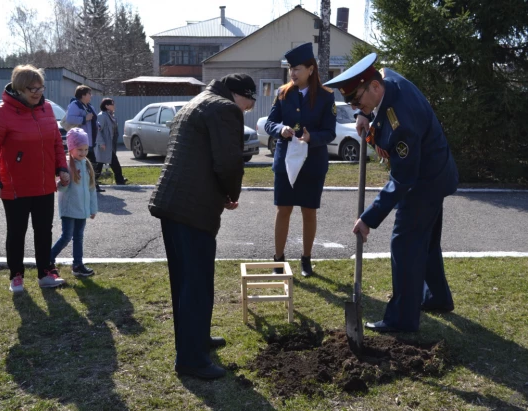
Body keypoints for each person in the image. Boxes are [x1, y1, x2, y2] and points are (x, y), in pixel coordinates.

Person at [324, 53, 459, 332]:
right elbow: (384, 70)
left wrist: (368, 218)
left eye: (356, 100)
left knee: (405, 244)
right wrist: (364, 113)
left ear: (374, 88)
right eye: (350, 103)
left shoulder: (402, 124)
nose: (353, 106)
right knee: (427, 240)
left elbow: (403, 179)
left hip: (424, 181)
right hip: (437, 171)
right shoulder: (386, 80)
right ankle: (438, 297)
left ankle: (401, 320)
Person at [148, 73, 256, 380]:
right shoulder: (224, 108)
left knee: (183, 281)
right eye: (248, 105)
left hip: (171, 203)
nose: (246, 112)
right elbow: (229, 162)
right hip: (192, 209)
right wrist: (230, 194)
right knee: (197, 285)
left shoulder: (194, 103)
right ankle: (192, 360)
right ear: (240, 95)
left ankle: (194, 341)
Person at [0, 64, 69, 293]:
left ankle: (45, 273)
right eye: (32, 88)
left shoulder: (47, 109)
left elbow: (56, 142)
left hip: (44, 185)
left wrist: (62, 167)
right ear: (19, 88)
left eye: (40, 87)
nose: (38, 92)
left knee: (44, 230)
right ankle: (16, 275)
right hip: (14, 187)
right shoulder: (1, 113)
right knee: (17, 232)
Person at [264, 42, 337, 277]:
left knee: (309, 211)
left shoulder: (326, 97)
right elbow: (269, 122)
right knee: (283, 209)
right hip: (286, 162)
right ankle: (278, 259)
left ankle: (306, 259)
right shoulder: (283, 93)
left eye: (297, 69)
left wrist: (311, 137)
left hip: (312, 163)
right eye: (290, 69)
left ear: (311, 69)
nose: (292, 73)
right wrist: (280, 129)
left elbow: (330, 132)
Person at [50, 128, 98, 277]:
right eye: (79, 149)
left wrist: (92, 208)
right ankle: (48, 259)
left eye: (85, 149)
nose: (83, 153)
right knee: (66, 236)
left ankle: (77, 264)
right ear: (71, 148)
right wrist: (63, 183)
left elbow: (91, 189)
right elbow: (60, 188)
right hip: (70, 209)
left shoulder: (86, 165)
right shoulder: (66, 165)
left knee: (79, 237)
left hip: (82, 210)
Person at [66, 85, 104, 192]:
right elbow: (70, 119)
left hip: (90, 140)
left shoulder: (89, 106)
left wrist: (98, 125)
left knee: (92, 162)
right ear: (83, 95)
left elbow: (94, 119)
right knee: (90, 162)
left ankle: (92, 185)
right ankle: (91, 185)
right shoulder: (75, 105)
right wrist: (84, 118)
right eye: (89, 94)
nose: (91, 96)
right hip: (81, 141)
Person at [95, 98, 128, 185]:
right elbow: (98, 131)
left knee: (100, 163)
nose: (114, 106)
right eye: (112, 104)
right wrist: (101, 142)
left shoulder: (111, 116)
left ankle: (93, 180)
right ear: (106, 106)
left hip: (110, 145)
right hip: (104, 145)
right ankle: (119, 180)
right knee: (110, 162)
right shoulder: (102, 116)